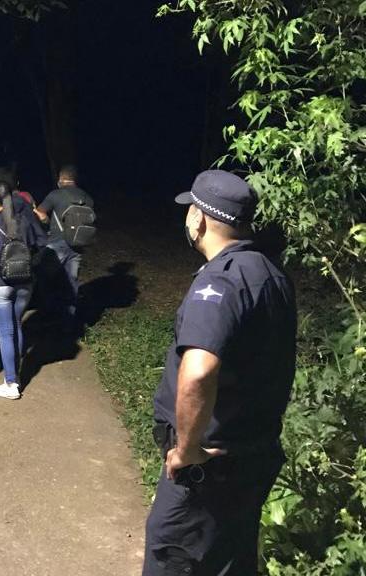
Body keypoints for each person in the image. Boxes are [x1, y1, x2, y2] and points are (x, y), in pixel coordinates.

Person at [143, 170, 297, 575]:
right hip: (252, 458)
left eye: (189, 210)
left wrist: (187, 450)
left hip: (206, 472)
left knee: (173, 557)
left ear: (199, 218)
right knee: (229, 560)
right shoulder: (270, 274)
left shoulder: (221, 281)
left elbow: (198, 372)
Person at [0, 180, 46, 400]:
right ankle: (15, 374)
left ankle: (11, 382)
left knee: (6, 331)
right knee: (16, 324)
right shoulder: (25, 218)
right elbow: (41, 242)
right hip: (25, 280)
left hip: (0, 281)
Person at [34, 165, 93, 328]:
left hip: (57, 242)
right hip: (78, 244)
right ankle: (70, 320)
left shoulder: (56, 194)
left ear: (61, 179)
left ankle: (49, 316)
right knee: (72, 281)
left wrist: (45, 222)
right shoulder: (87, 197)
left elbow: (40, 213)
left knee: (46, 278)